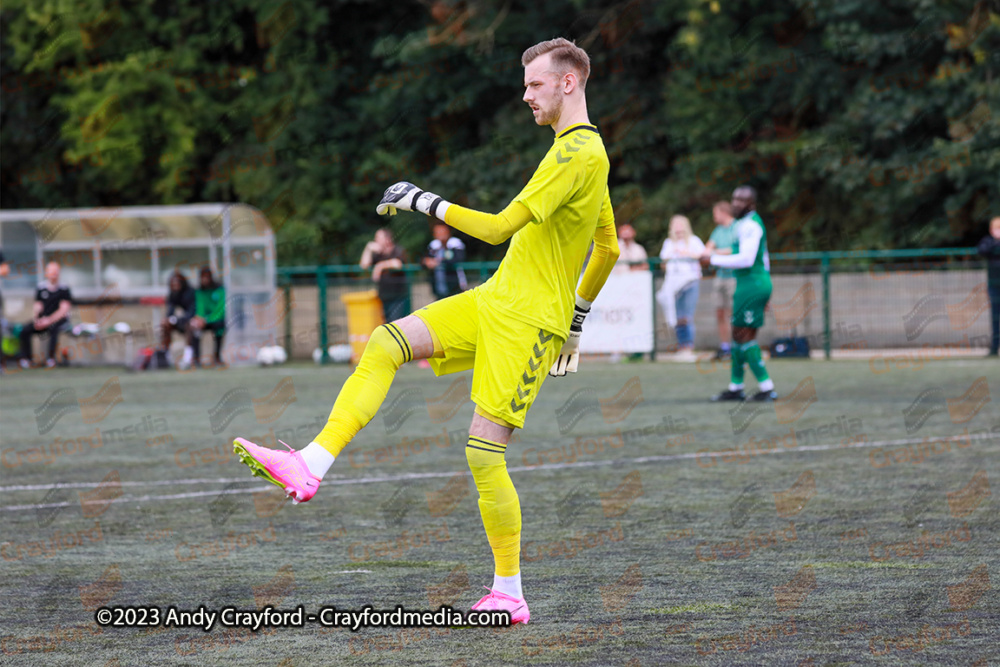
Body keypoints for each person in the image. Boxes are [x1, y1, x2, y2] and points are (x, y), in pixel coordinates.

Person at [234, 37, 619, 625]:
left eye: (535, 84)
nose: (526, 95)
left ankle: (509, 592)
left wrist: (421, 200)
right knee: (388, 341)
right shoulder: (582, 153)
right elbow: (608, 246)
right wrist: (580, 319)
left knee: (484, 454)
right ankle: (311, 462)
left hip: (527, 324)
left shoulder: (576, 155)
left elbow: (495, 229)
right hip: (496, 301)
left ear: (568, 83)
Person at [701, 185, 778, 401]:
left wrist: (712, 259)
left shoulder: (750, 226)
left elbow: (746, 259)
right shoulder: (744, 224)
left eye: (742, 200)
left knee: (743, 337)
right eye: (734, 199)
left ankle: (766, 388)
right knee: (739, 336)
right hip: (750, 284)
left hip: (751, 284)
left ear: (751, 204)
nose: (736, 203)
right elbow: (764, 257)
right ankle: (736, 387)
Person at [657, 215, 705, 362]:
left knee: (686, 316)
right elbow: (663, 262)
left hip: (690, 282)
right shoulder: (668, 243)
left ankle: (688, 347)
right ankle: (681, 347)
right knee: (677, 316)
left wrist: (687, 254)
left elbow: (703, 256)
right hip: (674, 285)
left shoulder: (694, 241)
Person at [18, 261, 72, 369]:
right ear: (46, 273)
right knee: (24, 330)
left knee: (54, 329)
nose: (54, 274)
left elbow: (63, 310)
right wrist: (37, 319)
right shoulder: (41, 287)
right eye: (51, 271)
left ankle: (50, 359)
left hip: (59, 320)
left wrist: (49, 320)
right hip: (43, 320)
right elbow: (38, 306)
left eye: (56, 271)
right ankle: (27, 359)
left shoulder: (64, 289)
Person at [705, 201, 736, 359]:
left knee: (733, 313)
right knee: (719, 312)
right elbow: (707, 248)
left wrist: (715, 253)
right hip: (720, 277)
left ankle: (736, 346)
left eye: (716, 213)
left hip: (734, 278)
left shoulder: (737, 228)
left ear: (724, 212)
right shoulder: (717, 231)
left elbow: (735, 250)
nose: (714, 217)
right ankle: (725, 347)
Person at [361, 228, 409, 322]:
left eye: (378, 238)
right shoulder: (378, 254)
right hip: (384, 296)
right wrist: (368, 248)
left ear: (387, 239)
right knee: (387, 325)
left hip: (398, 297)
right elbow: (364, 265)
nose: (376, 241)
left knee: (396, 324)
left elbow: (398, 264)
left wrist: (380, 266)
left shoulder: (397, 250)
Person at [188, 266, 225, 367]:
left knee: (220, 328)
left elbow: (220, 310)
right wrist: (198, 319)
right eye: (202, 277)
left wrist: (206, 319)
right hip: (204, 321)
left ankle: (217, 357)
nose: (205, 279)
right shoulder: (199, 291)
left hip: (216, 320)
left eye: (207, 277)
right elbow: (200, 308)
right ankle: (196, 359)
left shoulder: (219, 289)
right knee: (194, 328)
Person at [423, 221, 468, 299]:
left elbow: (458, 258)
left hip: (455, 285)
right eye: (438, 232)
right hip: (438, 287)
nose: (440, 234)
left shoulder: (455, 243)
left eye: (442, 231)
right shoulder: (433, 245)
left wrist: (438, 262)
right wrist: (426, 262)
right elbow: (424, 259)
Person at [160, 271, 196, 366]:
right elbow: (169, 312)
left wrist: (176, 319)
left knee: (190, 325)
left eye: (177, 284)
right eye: (173, 284)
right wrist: (169, 320)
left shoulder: (190, 293)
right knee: (165, 324)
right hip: (180, 321)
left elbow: (191, 313)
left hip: (192, 321)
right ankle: (166, 356)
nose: (175, 286)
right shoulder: (173, 294)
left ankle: (188, 358)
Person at [978, 216, 1000, 357]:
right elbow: (981, 251)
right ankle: (994, 348)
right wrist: (996, 243)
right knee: (995, 318)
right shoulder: (988, 242)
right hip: (994, 286)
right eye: (996, 228)